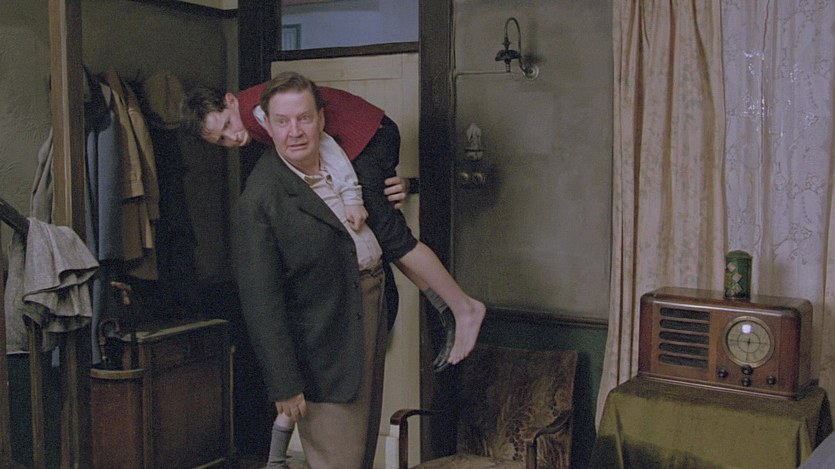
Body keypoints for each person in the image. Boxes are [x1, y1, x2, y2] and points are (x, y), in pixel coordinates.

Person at [183, 82, 485, 365]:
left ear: (231, 101)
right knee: (384, 237)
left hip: (370, 137)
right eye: (221, 140)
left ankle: (464, 308)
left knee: (393, 237)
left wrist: (352, 198)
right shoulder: (253, 117)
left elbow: (328, 148)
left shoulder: (259, 111)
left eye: (228, 124)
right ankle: (443, 305)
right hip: (370, 137)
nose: (232, 138)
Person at [231, 71, 390, 468]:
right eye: (282, 121)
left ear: (320, 118)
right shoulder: (260, 199)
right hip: (323, 355)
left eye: (303, 118)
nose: (295, 131)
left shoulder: (344, 165)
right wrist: (284, 384)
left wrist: (399, 187)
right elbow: (261, 303)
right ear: (267, 125)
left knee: (362, 455)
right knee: (338, 462)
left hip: (368, 312)